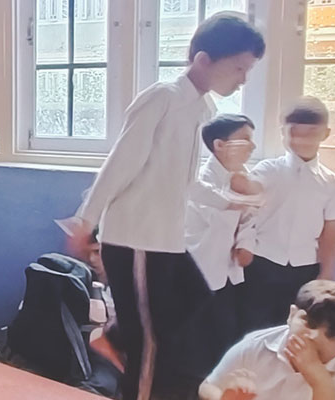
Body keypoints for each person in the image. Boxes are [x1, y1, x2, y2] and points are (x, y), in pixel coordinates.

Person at [59, 11, 265, 400]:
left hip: (167, 239)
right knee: (149, 345)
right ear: (203, 59)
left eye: (248, 70)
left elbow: (188, 182)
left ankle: (113, 336)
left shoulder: (202, 110)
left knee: (196, 295)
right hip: (136, 238)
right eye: (239, 68)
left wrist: (230, 203)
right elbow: (119, 165)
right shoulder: (163, 98)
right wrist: (86, 221)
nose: (243, 79)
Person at [235, 97, 335, 330]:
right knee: (253, 329)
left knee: (295, 330)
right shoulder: (267, 170)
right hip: (261, 263)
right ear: (283, 133)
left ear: (326, 134)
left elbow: (331, 235)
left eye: (310, 133)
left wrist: (326, 274)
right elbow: (248, 202)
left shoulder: (333, 184)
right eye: (294, 132)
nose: (301, 139)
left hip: (305, 270)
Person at [164, 114, 263, 388]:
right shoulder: (199, 181)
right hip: (198, 273)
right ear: (219, 145)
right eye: (245, 140)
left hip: (227, 275)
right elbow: (207, 222)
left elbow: (250, 218)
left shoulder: (243, 177)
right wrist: (243, 197)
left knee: (225, 338)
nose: (252, 147)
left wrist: (245, 243)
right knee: (194, 344)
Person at [200, 280, 335, 400]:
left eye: (332, 335)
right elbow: (208, 386)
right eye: (310, 323)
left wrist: (320, 381)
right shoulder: (257, 344)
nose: (314, 336)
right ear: (292, 314)